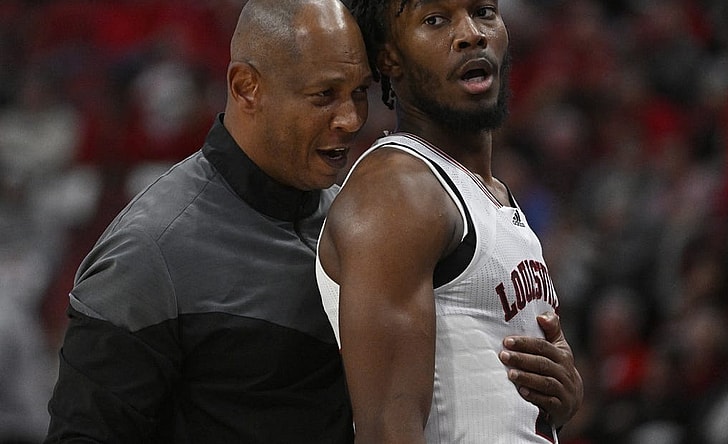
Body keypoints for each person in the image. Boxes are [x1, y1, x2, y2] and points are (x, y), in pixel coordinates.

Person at [46, 0, 580, 442]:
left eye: (358, 95)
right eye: (323, 96)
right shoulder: (152, 248)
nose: (349, 120)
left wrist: (547, 393)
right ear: (246, 87)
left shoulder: (353, 211)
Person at [315, 0, 582, 443]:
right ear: (388, 57)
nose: (470, 34)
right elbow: (386, 430)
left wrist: (563, 397)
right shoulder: (398, 191)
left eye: (484, 12)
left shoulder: (486, 193)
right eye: (435, 20)